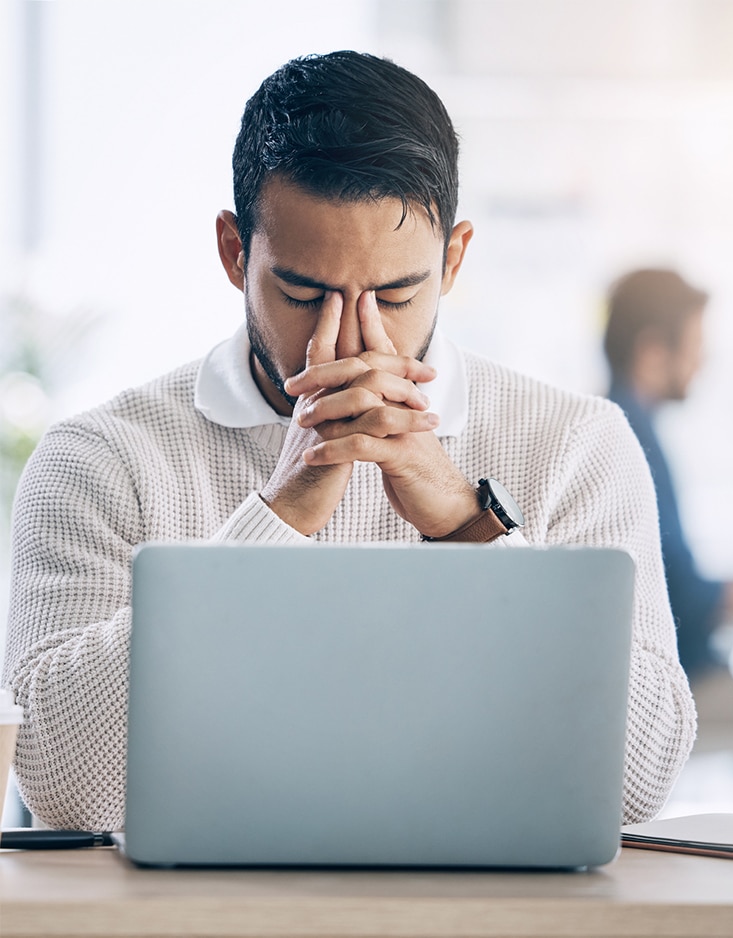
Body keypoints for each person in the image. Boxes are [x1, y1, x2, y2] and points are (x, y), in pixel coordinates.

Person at [3, 51, 694, 832]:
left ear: (454, 259)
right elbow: (65, 785)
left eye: (397, 294)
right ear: (236, 254)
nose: (354, 338)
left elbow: (639, 778)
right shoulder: (100, 459)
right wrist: (279, 516)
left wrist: (470, 527)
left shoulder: (576, 445)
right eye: (303, 293)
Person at [604, 268, 733, 678]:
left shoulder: (624, 424)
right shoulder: (630, 437)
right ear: (653, 351)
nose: (702, 360)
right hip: (674, 676)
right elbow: (680, 598)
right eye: (695, 344)